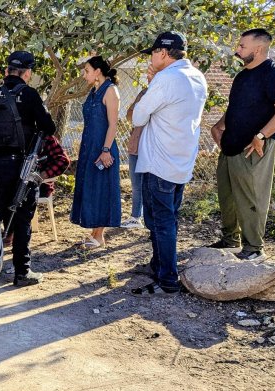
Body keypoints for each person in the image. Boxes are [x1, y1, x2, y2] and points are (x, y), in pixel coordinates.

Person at [130, 32, 208, 296]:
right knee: (168, 220)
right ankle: (158, 265)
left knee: (160, 222)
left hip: (159, 162)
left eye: (152, 53)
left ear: (163, 53)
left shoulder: (166, 78)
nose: (151, 58)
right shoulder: (198, 77)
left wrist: (150, 85)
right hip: (180, 162)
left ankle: (167, 280)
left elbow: (138, 117)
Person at [0, 50, 56, 286]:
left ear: (6, 71)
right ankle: (22, 272)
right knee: (22, 219)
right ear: (27, 73)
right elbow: (48, 127)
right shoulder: (29, 95)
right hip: (21, 168)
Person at [209, 28, 275, 261]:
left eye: (242, 46)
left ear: (259, 48)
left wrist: (261, 136)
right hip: (230, 145)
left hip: (254, 148)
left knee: (251, 198)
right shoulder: (243, 75)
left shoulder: (274, 74)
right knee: (227, 197)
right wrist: (218, 125)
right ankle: (230, 239)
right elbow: (238, 107)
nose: (237, 50)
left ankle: (254, 248)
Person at [70, 56, 122, 248]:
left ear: (98, 71)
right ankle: (94, 233)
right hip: (89, 147)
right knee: (91, 188)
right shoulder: (94, 90)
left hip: (103, 148)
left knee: (101, 189)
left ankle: (99, 236)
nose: (84, 75)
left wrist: (106, 150)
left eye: (87, 70)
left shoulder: (110, 91)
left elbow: (113, 125)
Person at [122, 88, 147, 229]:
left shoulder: (163, 93)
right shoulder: (144, 92)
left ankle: (146, 217)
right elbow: (129, 115)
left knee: (149, 186)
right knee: (136, 185)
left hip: (150, 148)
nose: (149, 77)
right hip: (135, 146)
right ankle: (136, 217)